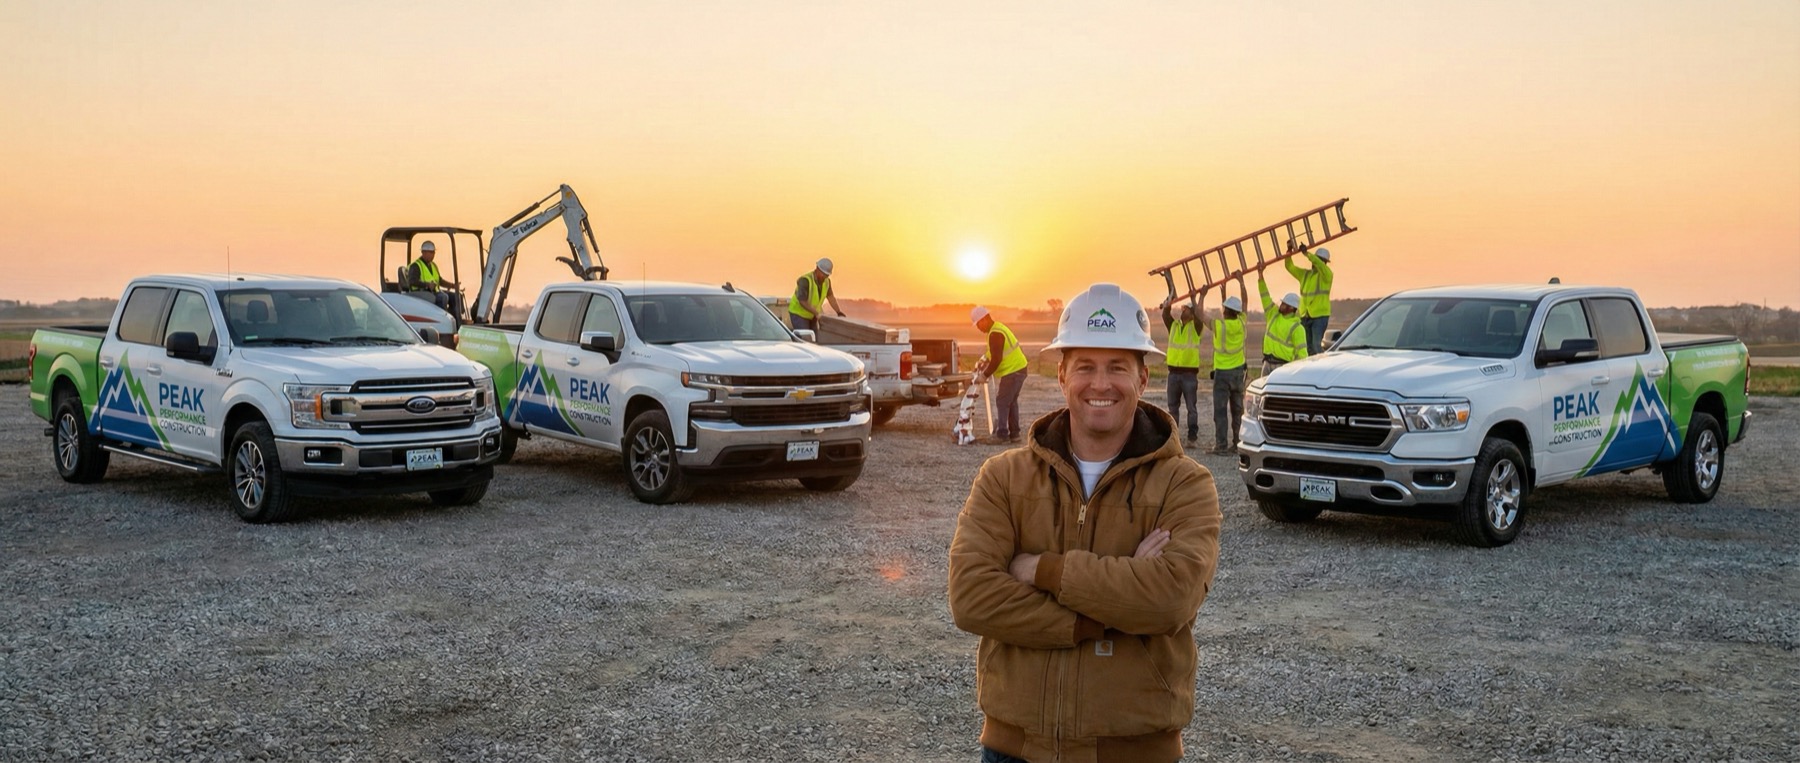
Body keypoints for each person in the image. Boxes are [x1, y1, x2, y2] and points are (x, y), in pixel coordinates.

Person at [949, 282, 1222, 763]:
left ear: (1142, 378)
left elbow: (1169, 600)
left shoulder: (1185, 484)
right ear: (1061, 376)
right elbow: (972, 598)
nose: (1100, 384)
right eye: (1085, 367)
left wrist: (1040, 570)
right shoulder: (1004, 477)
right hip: (1014, 751)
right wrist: (1108, 612)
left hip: (1136, 754)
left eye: (1117, 367)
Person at [971, 306, 1029, 445]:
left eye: (978, 324)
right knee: (1011, 401)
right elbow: (994, 352)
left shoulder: (995, 333)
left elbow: (996, 359)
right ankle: (1014, 434)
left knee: (1002, 401)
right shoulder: (997, 329)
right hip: (1019, 368)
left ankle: (1002, 434)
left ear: (984, 319)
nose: (978, 328)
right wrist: (985, 358)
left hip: (1013, 371)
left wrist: (984, 375)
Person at [1209, 293, 1249, 455]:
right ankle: (1238, 444)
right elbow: (1245, 302)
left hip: (1222, 374)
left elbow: (1199, 314)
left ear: (1226, 311)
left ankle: (1221, 445)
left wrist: (1201, 297)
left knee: (1220, 411)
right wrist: (1241, 284)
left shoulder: (1219, 326)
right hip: (1238, 373)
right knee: (1238, 410)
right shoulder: (1242, 322)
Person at [1160, 300, 1202, 448]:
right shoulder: (1174, 326)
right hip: (1173, 373)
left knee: (1191, 408)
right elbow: (1165, 315)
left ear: (1192, 313)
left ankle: (1192, 438)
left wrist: (1195, 300)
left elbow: (1199, 316)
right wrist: (1168, 304)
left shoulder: (1196, 327)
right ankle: (1174, 437)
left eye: (1186, 309)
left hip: (1189, 374)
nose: (1183, 311)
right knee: (1172, 408)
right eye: (1183, 308)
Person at [1284, 244, 1334, 355]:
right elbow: (1290, 267)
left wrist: (1307, 254)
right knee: (1307, 348)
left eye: (1319, 260)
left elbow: (1320, 265)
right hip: (1305, 316)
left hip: (1320, 316)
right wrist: (1288, 252)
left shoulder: (1327, 275)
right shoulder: (1305, 275)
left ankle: (1323, 363)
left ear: (1324, 262)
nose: (1315, 262)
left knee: (1316, 346)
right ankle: (1313, 365)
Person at [1257, 277, 1309, 377]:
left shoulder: (1297, 328)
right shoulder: (1273, 314)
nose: (1281, 305)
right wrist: (1260, 278)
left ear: (1291, 308)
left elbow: (1302, 355)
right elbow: (1265, 297)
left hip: (1283, 367)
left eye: (1284, 304)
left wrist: (1299, 374)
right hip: (1267, 363)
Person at [407, 241, 464, 318]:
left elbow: (439, 280)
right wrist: (427, 285)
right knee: (443, 297)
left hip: (433, 291)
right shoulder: (416, 265)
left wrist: (452, 285)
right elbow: (412, 281)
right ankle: (441, 318)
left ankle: (456, 319)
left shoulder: (433, 265)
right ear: (423, 252)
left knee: (455, 296)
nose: (433, 255)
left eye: (433, 252)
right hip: (421, 292)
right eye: (431, 252)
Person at [788, 257, 845, 332]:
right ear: (817, 269)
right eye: (823, 274)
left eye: (827, 275)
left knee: (814, 337)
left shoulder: (826, 282)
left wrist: (838, 311)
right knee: (806, 336)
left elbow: (830, 297)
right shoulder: (805, 280)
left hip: (812, 315)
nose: (824, 277)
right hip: (798, 314)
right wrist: (817, 313)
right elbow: (802, 301)